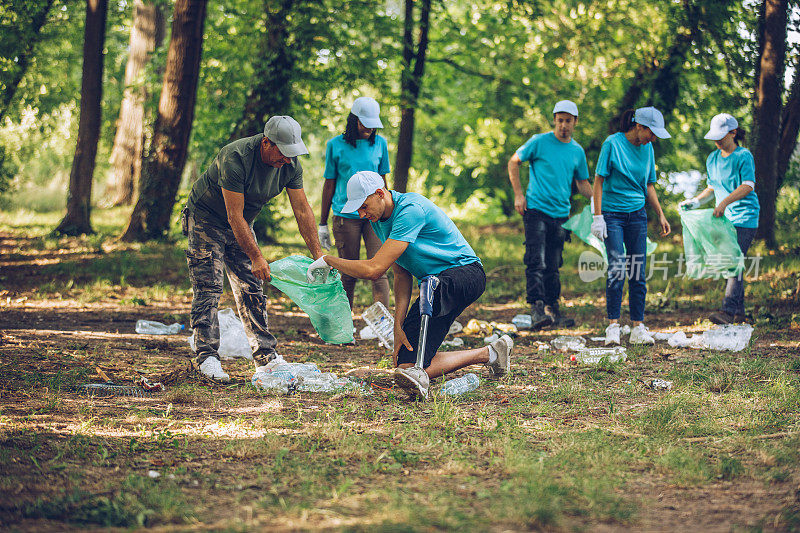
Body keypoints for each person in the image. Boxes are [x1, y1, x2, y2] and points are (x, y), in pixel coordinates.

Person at [306, 171, 513, 400]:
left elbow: (375, 270)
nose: (361, 213)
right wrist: (398, 325)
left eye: (364, 206)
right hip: (434, 286)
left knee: (430, 285)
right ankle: (491, 353)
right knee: (406, 366)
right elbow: (400, 273)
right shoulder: (379, 221)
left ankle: (421, 377)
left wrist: (328, 260)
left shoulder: (410, 210)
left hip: (465, 274)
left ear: (379, 193)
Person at [183, 116, 325, 382]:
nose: (288, 159)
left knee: (252, 287)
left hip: (243, 223)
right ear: (266, 143)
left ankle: (265, 356)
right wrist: (257, 257)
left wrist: (318, 255)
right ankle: (207, 358)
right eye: (283, 153)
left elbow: (302, 209)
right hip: (207, 218)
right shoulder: (234, 157)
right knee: (209, 286)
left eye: (292, 154)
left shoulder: (290, 165)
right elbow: (233, 215)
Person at [507, 99, 592, 329]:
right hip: (535, 210)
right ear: (554, 120)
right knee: (536, 260)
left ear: (575, 122)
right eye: (560, 120)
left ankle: (553, 311)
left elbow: (582, 183)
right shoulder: (539, 142)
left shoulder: (577, 151)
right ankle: (536, 309)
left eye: (568, 121)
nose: (563, 125)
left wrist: (599, 199)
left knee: (554, 264)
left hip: (561, 215)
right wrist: (518, 194)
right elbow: (514, 162)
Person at [590, 107, 671, 345]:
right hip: (612, 215)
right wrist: (598, 217)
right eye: (651, 133)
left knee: (637, 270)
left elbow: (649, 185)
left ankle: (638, 326)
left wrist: (661, 214)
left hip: (637, 216)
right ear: (639, 126)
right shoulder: (612, 144)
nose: (653, 138)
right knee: (617, 268)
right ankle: (613, 326)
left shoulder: (648, 150)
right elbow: (598, 181)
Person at [679, 113, 759, 324]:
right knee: (731, 263)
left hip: (745, 217)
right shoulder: (712, 159)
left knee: (733, 260)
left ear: (733, 133)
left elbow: (748, 185)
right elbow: (713, 187)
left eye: (720, 136)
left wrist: (724, 203)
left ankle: (727, 311)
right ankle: (740, 314)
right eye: (714, 136)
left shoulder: (743, 156)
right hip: (724, 219)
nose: (716, 141)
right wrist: (695, 202)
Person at [318, 97, 391, 310]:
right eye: (364, 123)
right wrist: (322, 223)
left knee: (379, 270)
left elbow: (383, 182)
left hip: (375, 217)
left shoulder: (380, 144)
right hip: (345, 216)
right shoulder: (335, 145)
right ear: (354, 120)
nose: (368, 128)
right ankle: (344, 326)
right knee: (348, 272)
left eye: (372, 124)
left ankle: (382, 327)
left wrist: (389, 214)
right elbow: (329, 184)